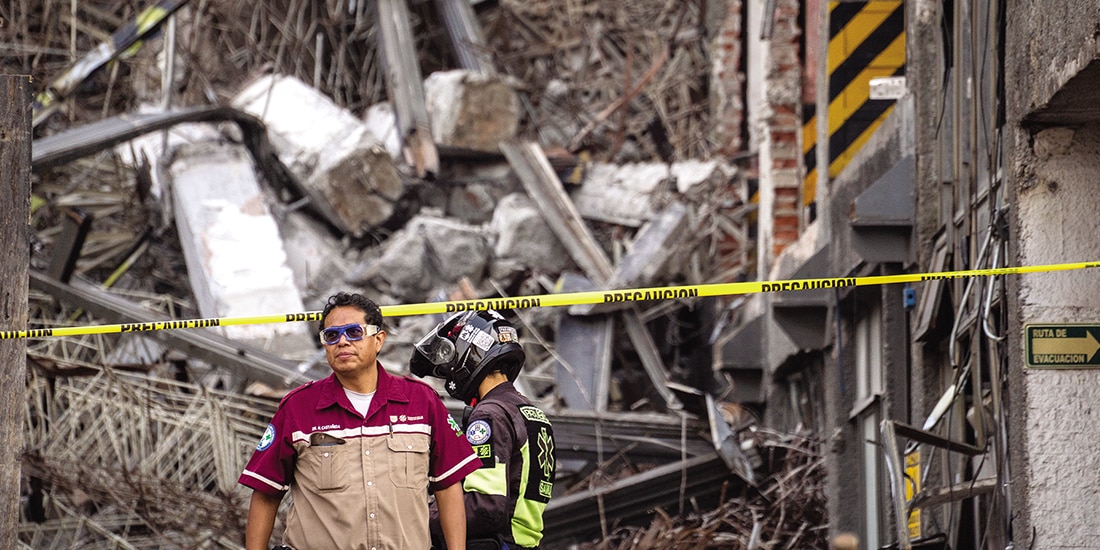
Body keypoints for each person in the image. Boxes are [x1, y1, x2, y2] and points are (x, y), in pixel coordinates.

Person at [238, 291, 481, 550]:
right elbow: (266, 494)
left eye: (354, 332)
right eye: (331, 335)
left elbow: (448, 487)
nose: (342, 342)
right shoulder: (298, 408)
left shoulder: (422, 402)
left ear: (379, 340)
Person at [410, 309, 557, 550]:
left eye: (450, 364)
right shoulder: (531, 412)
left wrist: (422, 515)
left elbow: (486, 505)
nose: (449, 374)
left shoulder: (489, 415)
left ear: (469, 355)